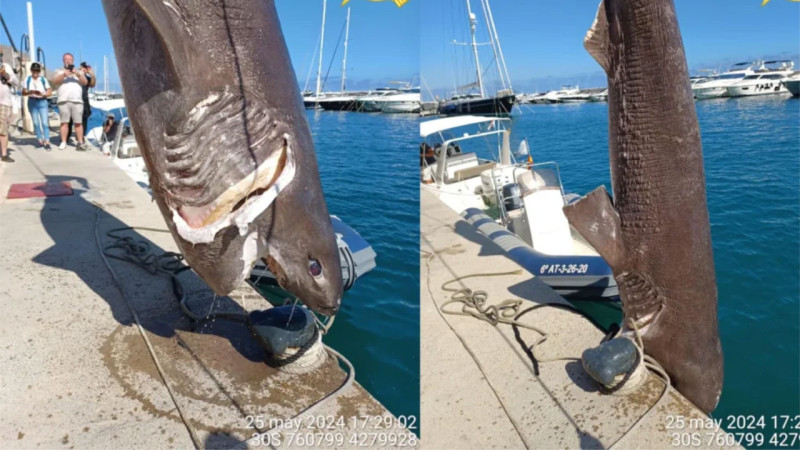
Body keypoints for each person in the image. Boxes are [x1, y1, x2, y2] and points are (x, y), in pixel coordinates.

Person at [51, 53, 88, 151]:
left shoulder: (78, 72)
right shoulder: (58, 71)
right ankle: (63, 142)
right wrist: (64, 75)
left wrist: (78, 74)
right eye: (66, 59)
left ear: (73, 60)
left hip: (77, 100)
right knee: (64, 122)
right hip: (64, 100)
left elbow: (85, 82)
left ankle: (80, 142)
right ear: (63, 60)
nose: (68, 61)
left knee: (78, 123)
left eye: (70, 59)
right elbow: (54, 81)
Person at [22, 62, 52, 150]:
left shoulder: (43, 79)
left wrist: (43, 94)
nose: (35, 72)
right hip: (32, 101)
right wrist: (29, 92)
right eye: (34, 70)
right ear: (31, 70)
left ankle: (47, 141)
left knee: (45, 123)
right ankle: (40, 140)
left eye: (37, 71)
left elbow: (49, 91)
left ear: (39, 71)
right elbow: (23, 92)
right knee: (35, 122)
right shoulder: (27, 80)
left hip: (42, 101)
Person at [66, 61, 95, 145]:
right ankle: (67, 136)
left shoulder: (87, 78)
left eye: (86, 68)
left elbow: (92, 85)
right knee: (70, 119)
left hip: (84, 100)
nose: (84, 69)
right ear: (80, 67)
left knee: (84, 119)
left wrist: (92, 75)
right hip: (73, 99)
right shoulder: (75, 75)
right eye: (83, 67)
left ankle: (81, 137)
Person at [0, 58, 19, 162]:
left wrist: (6, 75)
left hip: (4, 103)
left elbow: (16, 82)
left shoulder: (6, 66)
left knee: (3, 130)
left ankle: (4, 154)